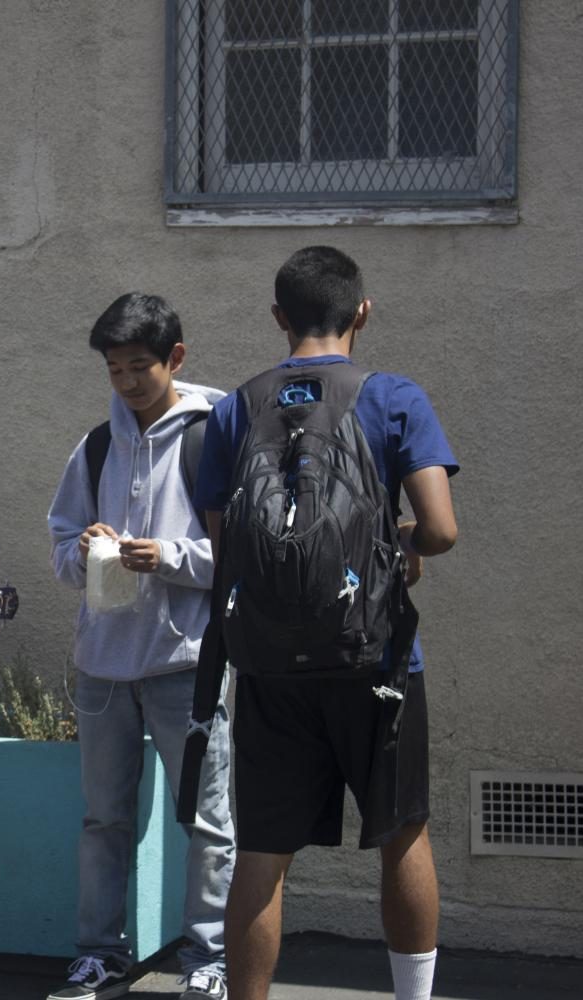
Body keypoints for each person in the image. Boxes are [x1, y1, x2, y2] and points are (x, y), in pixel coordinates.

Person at [195, 246, 459, 1000]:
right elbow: (438, 530)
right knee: (401, 831)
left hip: (269, 663)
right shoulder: (392, 397)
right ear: (361, 313)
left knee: (261, 851)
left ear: (278, 318)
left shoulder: (232, 407)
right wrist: (396, 542)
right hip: (375, 659)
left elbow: (225, 545)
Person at [46, 294, 235, 1000]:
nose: (126, 382)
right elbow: (60, 548)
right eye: (114, 369)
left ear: (175, 358)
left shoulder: (216, 435)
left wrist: (171, 557)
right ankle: (98, 955)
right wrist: (86, 551)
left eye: (139, 367)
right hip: (102, 666)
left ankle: (209, 960)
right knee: (102, 820)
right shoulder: (94, 445)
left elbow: (245, 555)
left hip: (187, 663)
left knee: (209, 823)